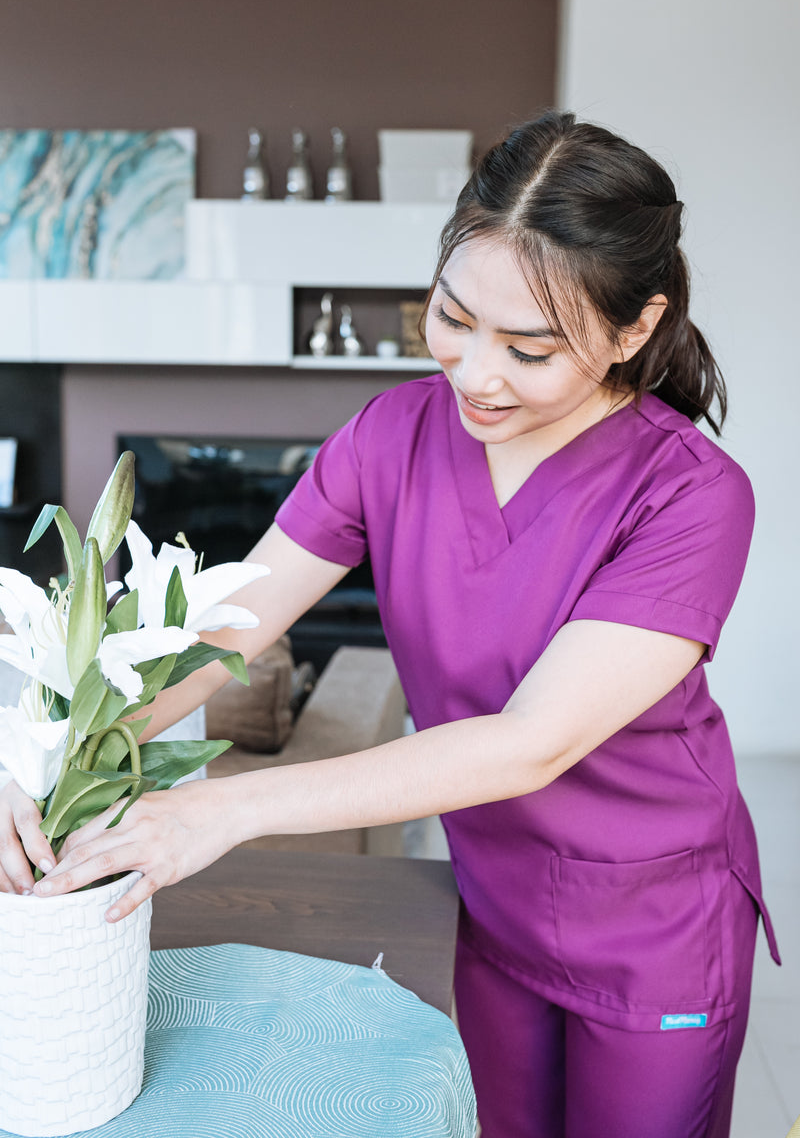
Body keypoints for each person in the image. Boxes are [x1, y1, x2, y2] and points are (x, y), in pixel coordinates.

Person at [0, 111, 779, 1138]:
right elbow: (227, 627)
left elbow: (528, 741)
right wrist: (47, 757)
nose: (475, 374)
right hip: (490, 904)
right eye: (452, 318)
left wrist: (223, 810)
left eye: (530, 349)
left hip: (652, 924)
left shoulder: (689, 495)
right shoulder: (392, 436)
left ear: (634, 329)